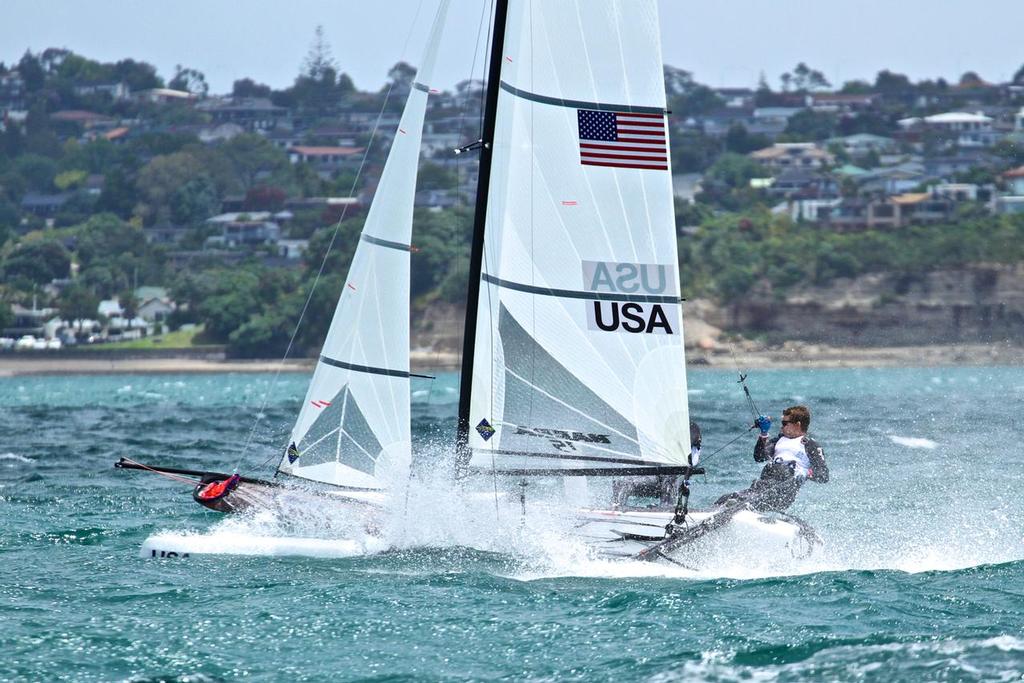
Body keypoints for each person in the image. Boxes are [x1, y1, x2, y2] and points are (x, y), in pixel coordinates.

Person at [714, 405, 828, 513]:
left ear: (797, 425)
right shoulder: (778, 440)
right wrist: (764, 434)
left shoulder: (810, 445)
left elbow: (823, 475)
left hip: (783, 490)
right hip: (763, 485)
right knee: (726, 498)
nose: (781, 426)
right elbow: (759, 457)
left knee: (746, 501)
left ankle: (740, 510)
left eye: (785, 423)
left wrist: (806, 473)